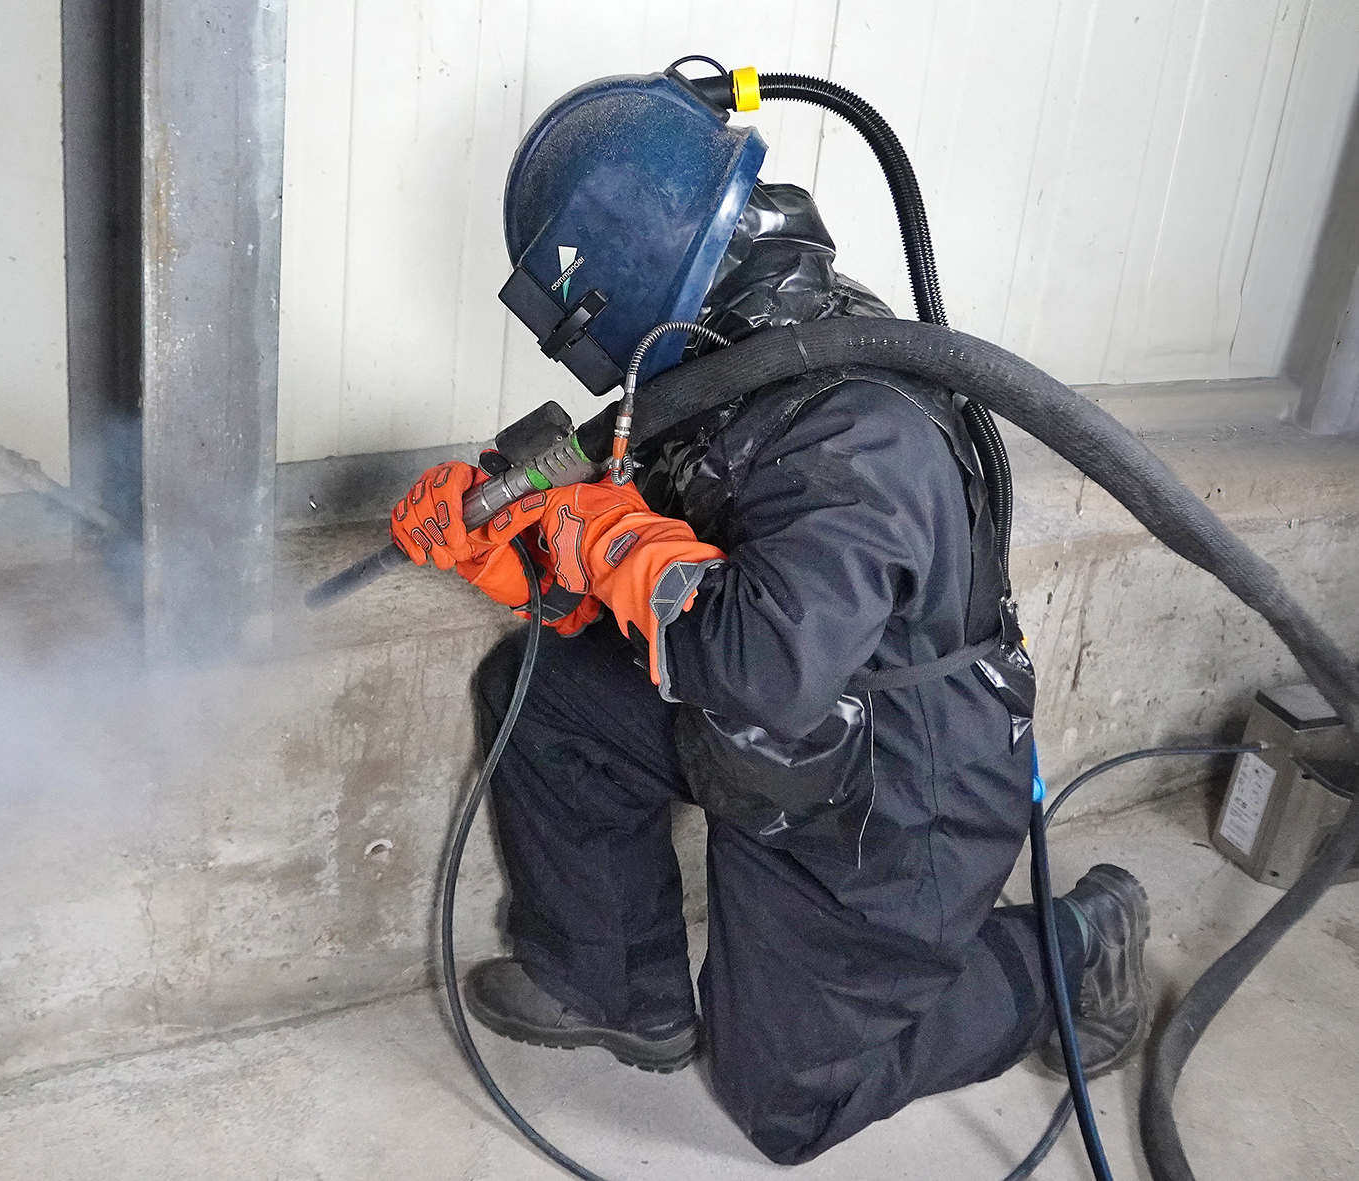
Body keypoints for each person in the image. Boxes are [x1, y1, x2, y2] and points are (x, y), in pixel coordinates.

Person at [388, 67, 1151, 1166]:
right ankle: (613, 980)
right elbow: (659, 543)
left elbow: (754, 664)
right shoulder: (728, 363)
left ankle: (1068, 950)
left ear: (638, 278)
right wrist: (524, 554)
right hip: (792, 729)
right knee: (537, 691)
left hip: (899, 783)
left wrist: (599, 540)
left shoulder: (853, 429)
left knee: (787, 1102)